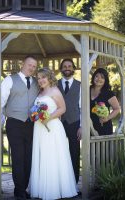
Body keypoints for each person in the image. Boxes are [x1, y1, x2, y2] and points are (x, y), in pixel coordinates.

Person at [0, 56, 38, 200]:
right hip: (15, 123)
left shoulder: (36, 82)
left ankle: (24, 186)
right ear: (22, 64)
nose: (31, 68)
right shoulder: (10, 80)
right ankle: (19, 189)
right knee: (18, 157)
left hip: (32, 124)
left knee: (29, 157)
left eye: (34, 66)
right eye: (29, 65)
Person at [29, 68, 77, 200]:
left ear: (50, 77)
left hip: (52, 127)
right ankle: (41, 188)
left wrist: (48, 118)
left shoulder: (55, 91)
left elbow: (63, 108)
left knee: (52, 156)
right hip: (39, 128)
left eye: (43, 77)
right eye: (38, 78)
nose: (40, 80)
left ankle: (54, 189)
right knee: (42, 155)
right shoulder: (40, 92)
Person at [58, 58, 81, 184]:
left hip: (74, 123)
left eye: (70, 66)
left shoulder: (80, 85)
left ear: (73, 69)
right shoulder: (54, 84)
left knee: (74, 152)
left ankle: (74, 182)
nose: (67, 68)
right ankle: (60, 181)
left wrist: (82, 126)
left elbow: (82, 107)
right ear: (61, 69)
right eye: (65, 66)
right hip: (58, 123)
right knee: (59, 152)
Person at [90, 68, 120, 135]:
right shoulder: (87, 90)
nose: (99, 79)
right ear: (93, 77)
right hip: (89, 127)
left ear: (105, 80)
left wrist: (107, 118)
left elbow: (117, 109)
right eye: (97, 76)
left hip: (104, 127)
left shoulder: (108, 93)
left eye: (102, 77)